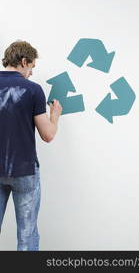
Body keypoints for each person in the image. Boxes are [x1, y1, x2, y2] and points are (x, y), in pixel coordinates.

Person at [0, 40, 62, 250]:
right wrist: (55, 115)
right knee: (27, 235)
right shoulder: (33, 90)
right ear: (24, 61)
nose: (31, 73)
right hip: (24, 170)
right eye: (32, 67)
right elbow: (48, 135)